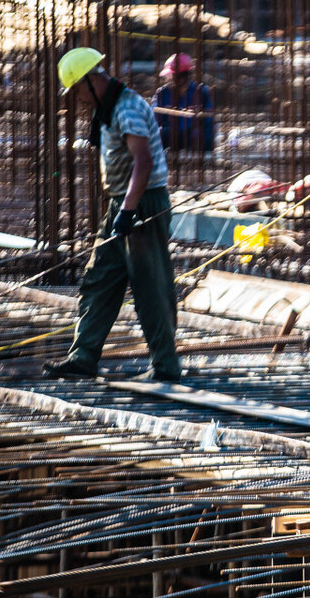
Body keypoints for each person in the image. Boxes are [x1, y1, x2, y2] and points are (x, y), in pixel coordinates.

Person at [42, 47, 182, 382]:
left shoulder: (127, 106)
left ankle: (166, 366)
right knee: (99, 280)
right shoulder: (107, 107)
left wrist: (129, 211)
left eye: (77, 90)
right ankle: (83, 357)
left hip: (142, 203)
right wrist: (120, 210)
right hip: (121, 205)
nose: (77, 99)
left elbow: (144, 162)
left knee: (150, 287)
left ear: (92, 81)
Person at [152, 52, 215, 153]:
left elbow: (209, 122)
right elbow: (154, 120)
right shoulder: (162, 93)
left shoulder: (202, 91)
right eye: (171, 76)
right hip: (171, 138)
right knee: (161, 132)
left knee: (199, 134)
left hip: (192, 138)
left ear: (185, 76)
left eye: (175, 76)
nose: (171, 79)